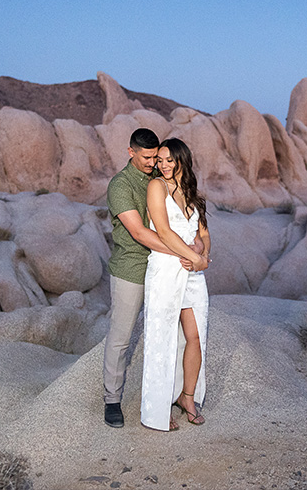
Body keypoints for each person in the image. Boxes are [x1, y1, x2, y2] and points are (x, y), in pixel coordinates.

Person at [102, 128, 206, 429]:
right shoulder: (120, 185)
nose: (153, 163)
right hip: (132, 269)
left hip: (166, 271)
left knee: (170, 335)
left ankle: (175, 395)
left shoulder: (159, 179)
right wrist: (184, 251)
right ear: (130, 151)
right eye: (147, 157)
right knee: (121, 338)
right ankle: (112, 401)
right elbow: (140, 232)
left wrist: (194, 247)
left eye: (156, 157)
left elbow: (189, 220)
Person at [140, 137, 210, 431]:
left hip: (194, 274)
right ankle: (158, 408)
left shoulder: (191, 193)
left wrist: (203, 256)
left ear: (182, 159)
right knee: (162, 339)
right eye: (160, 160)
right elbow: (165, 233)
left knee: (195, 338)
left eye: (170, 160)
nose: (164, 165)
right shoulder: (157, 187)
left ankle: (188, 397)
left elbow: (204, 235)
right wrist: (193, 258)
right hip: (167, 269)